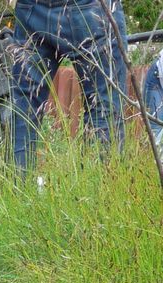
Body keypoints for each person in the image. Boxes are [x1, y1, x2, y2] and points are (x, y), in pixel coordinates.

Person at [7, 0, 128, 169]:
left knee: (23, 110)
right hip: (89, 8)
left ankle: (16, 183)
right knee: (104, 110)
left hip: (31, 8)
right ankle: (104, 182)